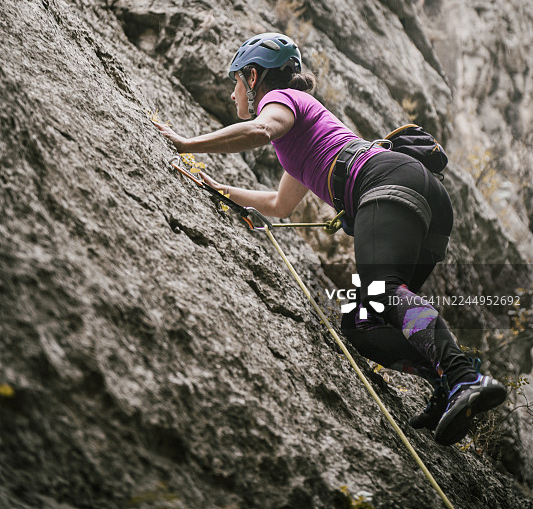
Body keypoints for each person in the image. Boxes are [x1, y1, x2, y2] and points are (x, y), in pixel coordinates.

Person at [153, 31, 507, 446]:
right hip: (427, 198)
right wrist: (220, 188)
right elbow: (280, 204)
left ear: (253, 76)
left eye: (236, 81)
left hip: (385, 183)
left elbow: (261, 129)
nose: (234, 94)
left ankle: (465, 377)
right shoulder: (304, 136)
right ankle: (448, 382)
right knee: (362, 322)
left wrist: (185, 144)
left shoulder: (280, 100)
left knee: (384, 289)